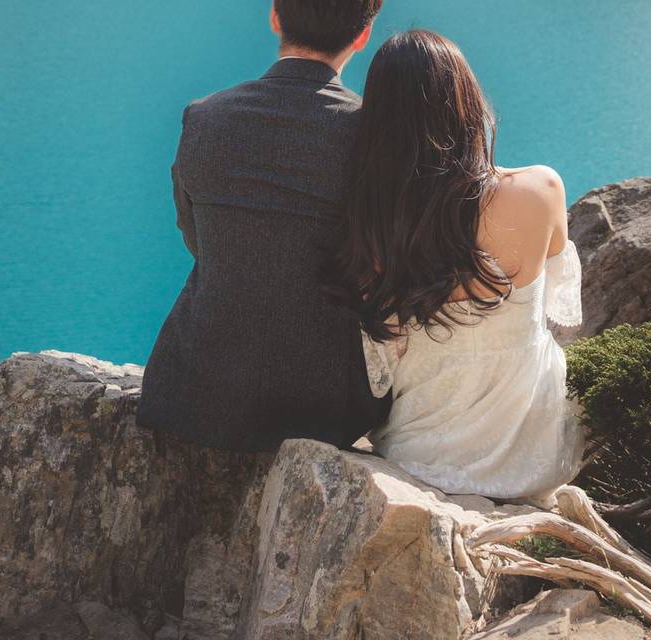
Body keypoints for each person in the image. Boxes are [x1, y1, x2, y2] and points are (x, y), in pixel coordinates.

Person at [324, 29, 591, 508]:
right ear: (468, 102)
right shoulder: (541, 189)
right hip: (534, 462)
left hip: (417, 458)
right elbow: (558, 316)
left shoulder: (371, 226)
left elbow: (378, 366)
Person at [136, 0, 391, 452]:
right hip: (320, 406)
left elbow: (197, 238)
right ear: (362, 36)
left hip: (195, 389)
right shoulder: (374, 133)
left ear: (275, 16)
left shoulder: (204, 117)